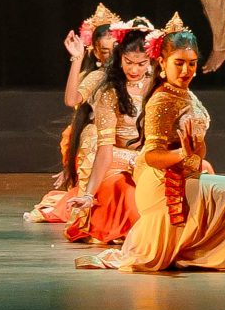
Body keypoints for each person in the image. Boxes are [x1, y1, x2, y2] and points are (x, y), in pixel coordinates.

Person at [76, 20, 225, 272]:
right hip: (162, 182)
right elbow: (151, 156)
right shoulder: (162, 100)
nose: (186, 70)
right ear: (162, 63)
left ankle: (216, 252)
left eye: (191, 63)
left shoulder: (185, 94)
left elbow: (198, 150)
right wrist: (183, 153)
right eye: (178, 63)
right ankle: (216, 254)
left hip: (186, 172)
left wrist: (195, 149)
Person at [65, 22, 158, 246]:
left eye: (141, 64)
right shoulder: (106, 85)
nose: (134, 70)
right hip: (117, 155)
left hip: (150, 156)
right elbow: (71, 101)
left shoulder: (158, 86)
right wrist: (77, 59)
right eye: (128, 63)